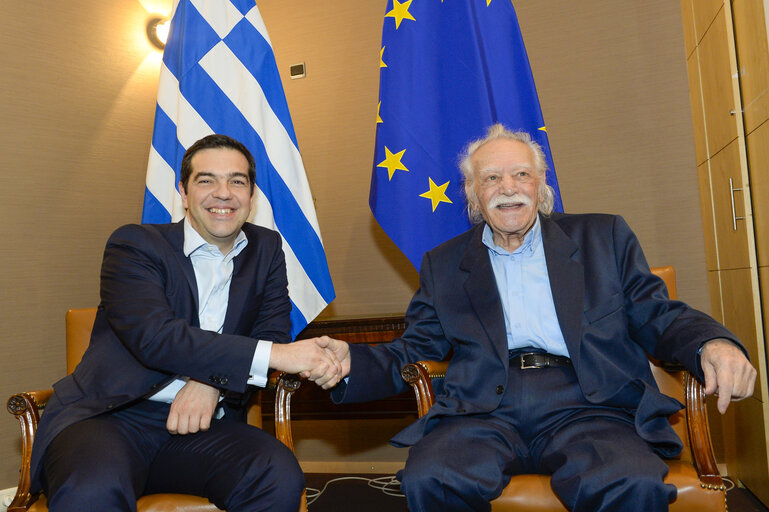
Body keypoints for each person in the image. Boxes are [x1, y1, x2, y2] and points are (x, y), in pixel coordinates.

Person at [315, 124, 757, 512]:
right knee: (431, 478)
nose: (508, 187)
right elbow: (415, 350)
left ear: (541, 184)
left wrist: (712, 344)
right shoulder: (444, 263)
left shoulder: (603, 238)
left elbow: (657, 314)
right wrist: (349, 362)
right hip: (483, 409)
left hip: (588, 404)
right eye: (491, 178)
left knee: (627, 481)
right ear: (472, 193)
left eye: (521, 174)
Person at [31, 134, 343, 512]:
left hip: (204, 427)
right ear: (183, 191)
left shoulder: (267, 249)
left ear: (252, 194)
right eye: (206, 180)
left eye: (237, 181)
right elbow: (156, 338)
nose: (223, 193)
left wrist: (210, 382)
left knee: (276, 473)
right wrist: (278, 356)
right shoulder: (135, 245)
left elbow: (270, 331)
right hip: (111, 419)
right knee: (91, 491)